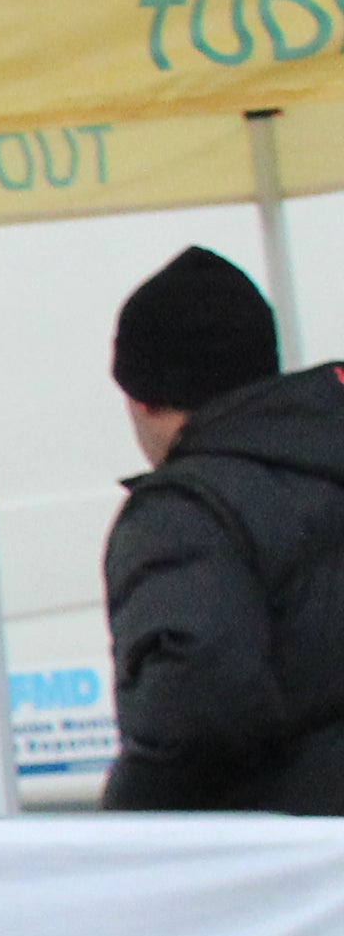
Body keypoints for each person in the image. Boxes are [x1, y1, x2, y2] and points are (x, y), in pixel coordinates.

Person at [101, 243, 344, 814]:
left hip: (296, 869)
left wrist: (122, 832)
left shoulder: (187, 511)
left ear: (142, 399)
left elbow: (194, 706)